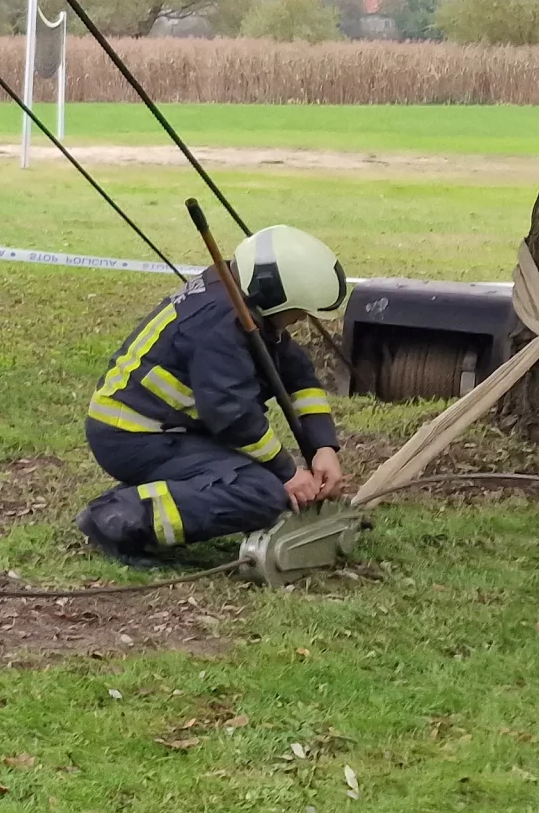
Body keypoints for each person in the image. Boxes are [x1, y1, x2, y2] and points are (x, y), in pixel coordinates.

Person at [77, 224, 348, 563]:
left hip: (165, 429)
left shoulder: (241, 296)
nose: (301, 320)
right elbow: (232, 414)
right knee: (261, 493)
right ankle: (120, 519)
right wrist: (289, 473)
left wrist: (322, 446)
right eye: (300, 311)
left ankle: (134, 502)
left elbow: (297, 374)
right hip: (133, 436)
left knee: (260, 480)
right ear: (277, 295)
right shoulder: (221, 321)